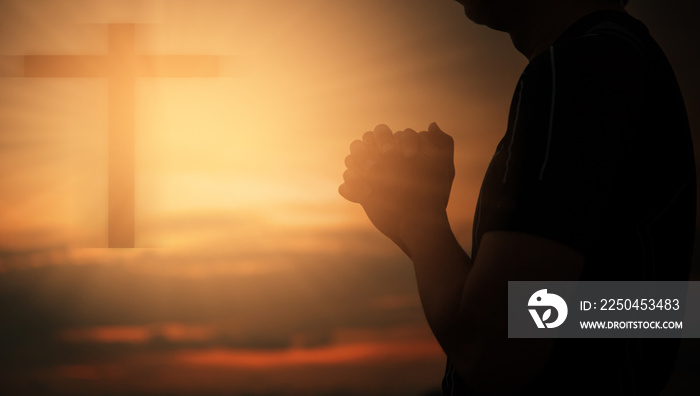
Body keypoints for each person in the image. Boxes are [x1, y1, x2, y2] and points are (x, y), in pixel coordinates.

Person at [339, 0, 696, 394]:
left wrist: (422, 218)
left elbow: (491, 347)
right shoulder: (623, 59)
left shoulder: (580, 70)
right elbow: (652, 311)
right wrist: (415, 228)